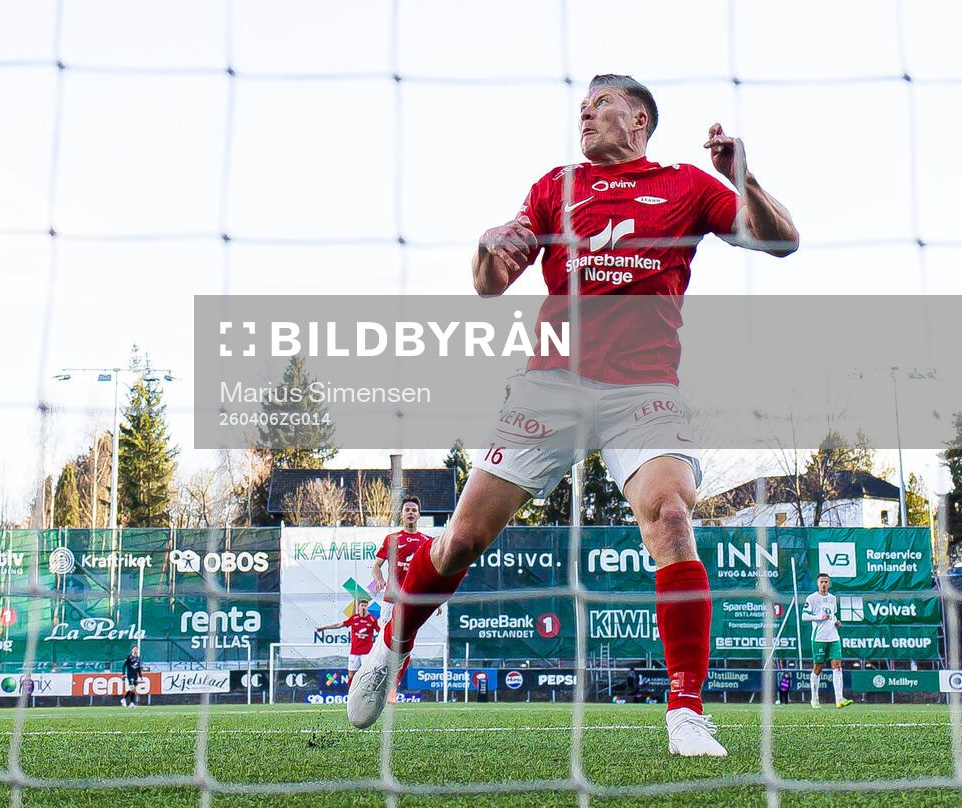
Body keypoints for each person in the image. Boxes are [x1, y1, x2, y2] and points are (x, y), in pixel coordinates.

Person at [347, 75, 798, 760]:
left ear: (639, 119)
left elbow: (782, 241)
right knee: (462, 540)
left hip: (643, 387)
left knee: (672, 516)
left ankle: (685, 712)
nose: (585, 115)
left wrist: (744, 177)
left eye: (601, 106)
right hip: (552, 384)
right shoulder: (554, 187)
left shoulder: (684, 186)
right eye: (582, 108)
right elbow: (489, 284)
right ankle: (392, 644)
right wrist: (484, 244)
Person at [803, 573, 851, 709]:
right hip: (819, 638)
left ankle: (839, 699)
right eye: (821, 582)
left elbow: (832, 615)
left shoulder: (832, 598)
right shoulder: (812, 598)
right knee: (818, 667)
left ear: (829, 584)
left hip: (833, 637)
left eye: (826, 582)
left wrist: (836, 622)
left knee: (837, 665)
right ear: (817, 583)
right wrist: (819, 617)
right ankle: (814, 698)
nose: (824, 584)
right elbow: (804, 616)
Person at [371, 496, 431, 602]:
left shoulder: (428, 541)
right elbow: (376, 565)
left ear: (418, 515)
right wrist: (379, 580)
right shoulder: (391, 539)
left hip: (416, 600)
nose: (410, 513)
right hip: (392, 599)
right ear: (401, 515)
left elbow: (432, 573)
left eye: (414, 510)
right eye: (407, 510)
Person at [319, 599, 380, 687]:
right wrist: (324, 628)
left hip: (367, 653)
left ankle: (366, 694)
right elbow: (338, 625)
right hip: (355, 652)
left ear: (367, 607)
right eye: (362, 605)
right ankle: (351, 694)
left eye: (365, 606)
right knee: (351, 675)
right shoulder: (354, 618)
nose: (363, 607)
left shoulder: (372, 620)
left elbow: (380, 631)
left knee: (368, 674)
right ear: (359, 607)